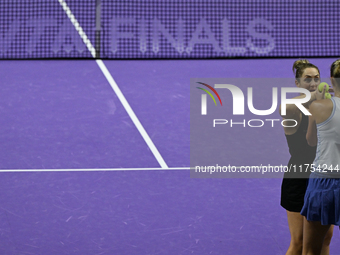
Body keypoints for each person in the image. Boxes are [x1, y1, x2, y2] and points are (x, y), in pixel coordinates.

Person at [280, 60, 333, 255]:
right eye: (307, 79)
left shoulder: (327, 106)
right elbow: (283, 107)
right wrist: (314, 97)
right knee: (300, 241)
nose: (312, 82)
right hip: (299, 180)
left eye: (316, 79)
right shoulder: (292, 108)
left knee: (325, 239)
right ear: (297, 83)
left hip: (324, 179)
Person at [301, 59, 340, 255]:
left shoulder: (317, 106)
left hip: (322, 184)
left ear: (331, 79)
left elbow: (311, 141)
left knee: (310, 250)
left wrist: (318, 100)